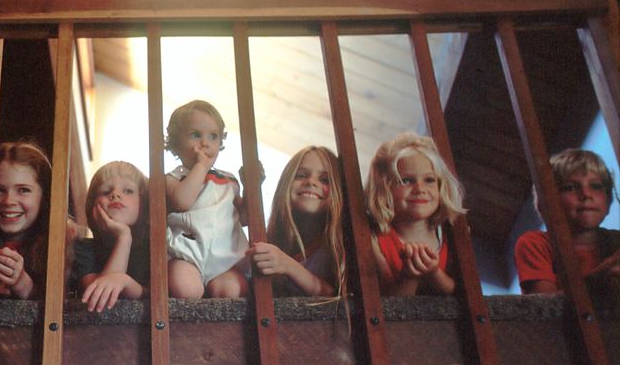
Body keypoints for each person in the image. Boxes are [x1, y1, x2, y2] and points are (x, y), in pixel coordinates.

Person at [164, 99, 249, 299]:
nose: (205, 143)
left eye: (213, 136)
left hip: (224, 259)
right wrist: (201, 167)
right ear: (175, 144)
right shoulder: (172, 179)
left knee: (233, 291)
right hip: (186, 254)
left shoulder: (228, 180)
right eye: (195, 135)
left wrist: (252, 186)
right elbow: (181, 201)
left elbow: (243, 218)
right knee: (185, 288)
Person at [365, 132, 465, 296]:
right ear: (385, 189)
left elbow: (463, 295)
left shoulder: (451, 235)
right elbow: (389, 308)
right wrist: (410, 277)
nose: (420, 189)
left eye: (429, 180)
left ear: (441, 187)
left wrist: (434, 273)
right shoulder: (375, 239)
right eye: (406, 181)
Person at [514, 149, 619, 304]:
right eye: (570, 187)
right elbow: (545, 309)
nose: (586, 194)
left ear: (609, 200)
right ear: (546, 203)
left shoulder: (616, 240)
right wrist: (600, 277)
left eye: (596, 186)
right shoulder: (535, 243)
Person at [247, 146, 346, 298]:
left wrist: (288, 266)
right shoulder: (270, 239)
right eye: (301, 175)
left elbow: (341, 300)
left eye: (324, 179)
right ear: (285, 184)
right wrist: (250, 190)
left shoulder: (338, 245)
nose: (311, 182)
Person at [73, 161, 149, 312]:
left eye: (128, 191)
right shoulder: (83, 248)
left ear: (145, 204)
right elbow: (100, 297)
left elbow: (156, 295)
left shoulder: (151, 249)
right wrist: (123, 237)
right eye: (106, 192)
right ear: (92, 206)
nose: (115, 194)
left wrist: (126, 282)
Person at [0, 141, 53, 299]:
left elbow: (62, 310)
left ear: (44, 197)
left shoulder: (59, 249)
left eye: (23, 190)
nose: (9, 201)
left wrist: (23, 285)